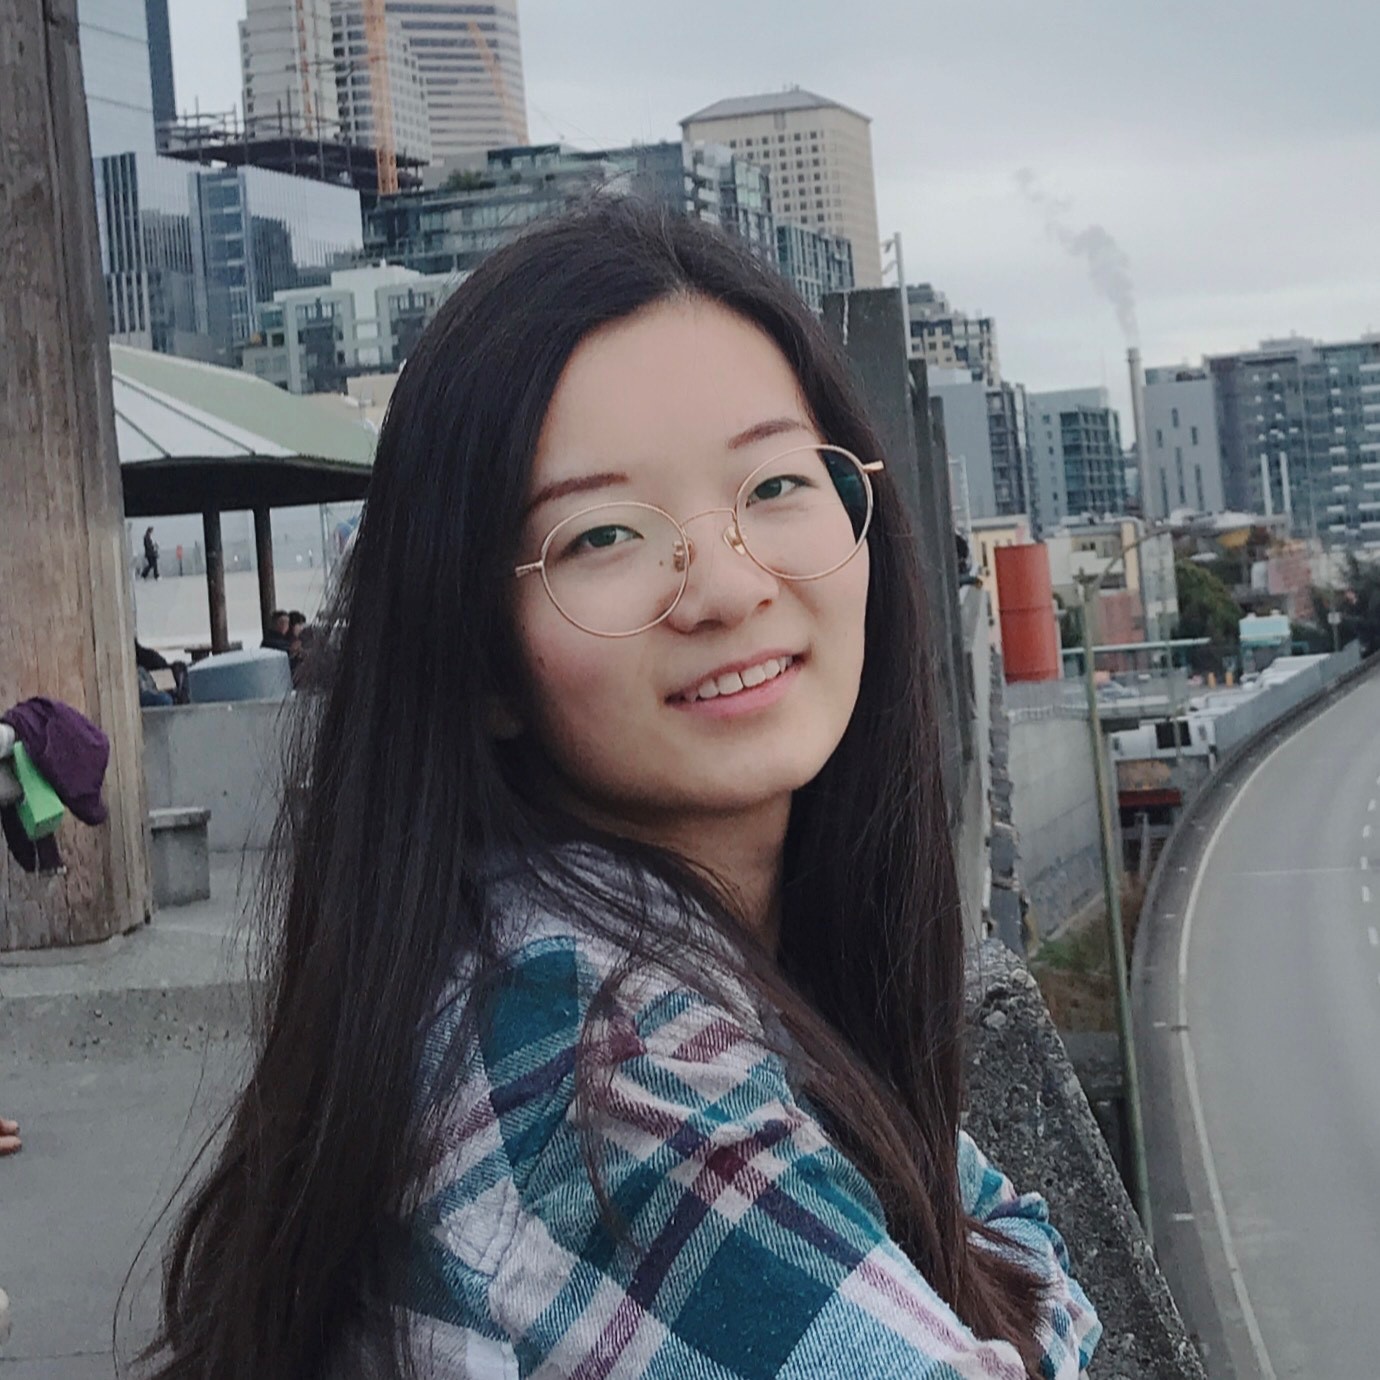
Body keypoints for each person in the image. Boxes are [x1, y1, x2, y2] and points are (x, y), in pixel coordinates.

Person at [144, 201, 1100, 1379]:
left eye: (773, 486)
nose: (726, 587)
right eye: (603, 536)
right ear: (481, 656)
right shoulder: (602, 1089)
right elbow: (1011, 1265)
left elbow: (999, 1238)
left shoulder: (600, 962)